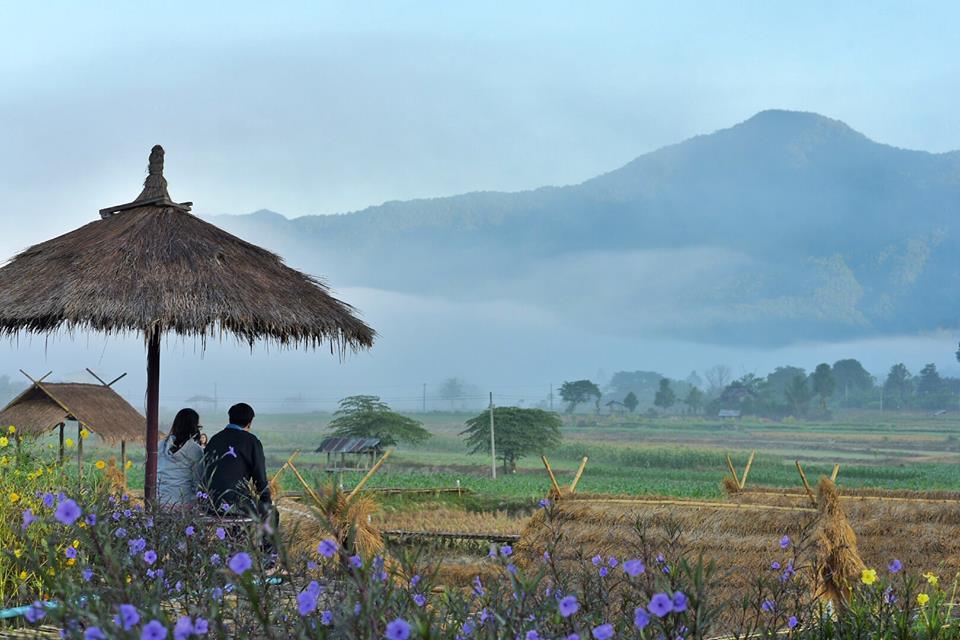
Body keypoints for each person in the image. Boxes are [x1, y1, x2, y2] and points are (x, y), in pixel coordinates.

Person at [203, 403, 272, 518]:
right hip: (236, 503)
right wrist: (267, 501)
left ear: (230, 418)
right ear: (249, 423)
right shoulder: (251, 441)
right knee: (272, 514)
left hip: (209, 503)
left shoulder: (214, 439)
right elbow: (260, 477)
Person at [157, 408, 204, 506]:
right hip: (183, 501)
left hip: (159, 499)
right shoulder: (195, 450)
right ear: (194, 427)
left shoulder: (160, 445)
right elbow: (198, 481)